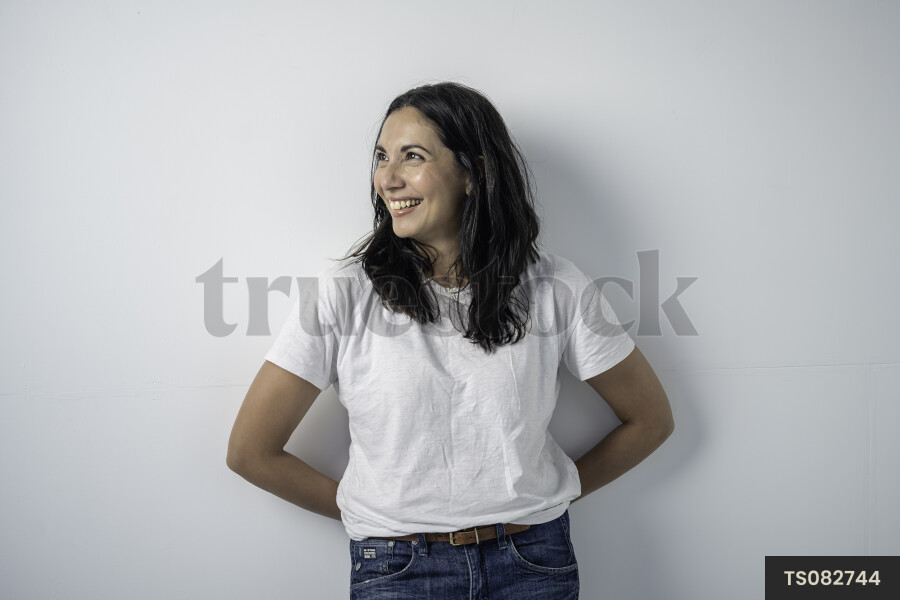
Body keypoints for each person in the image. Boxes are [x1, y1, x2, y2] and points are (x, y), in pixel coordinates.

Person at [226, 82, 674, 599]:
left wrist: (545, 500)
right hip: (396, 568)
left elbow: (651, 420)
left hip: (533, 563)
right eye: (381, 157)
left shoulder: (557, 286)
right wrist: (374, 513)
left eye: (411, 157)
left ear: (473, 172)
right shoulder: (343, 293)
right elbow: (250, 452)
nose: (387, 179)